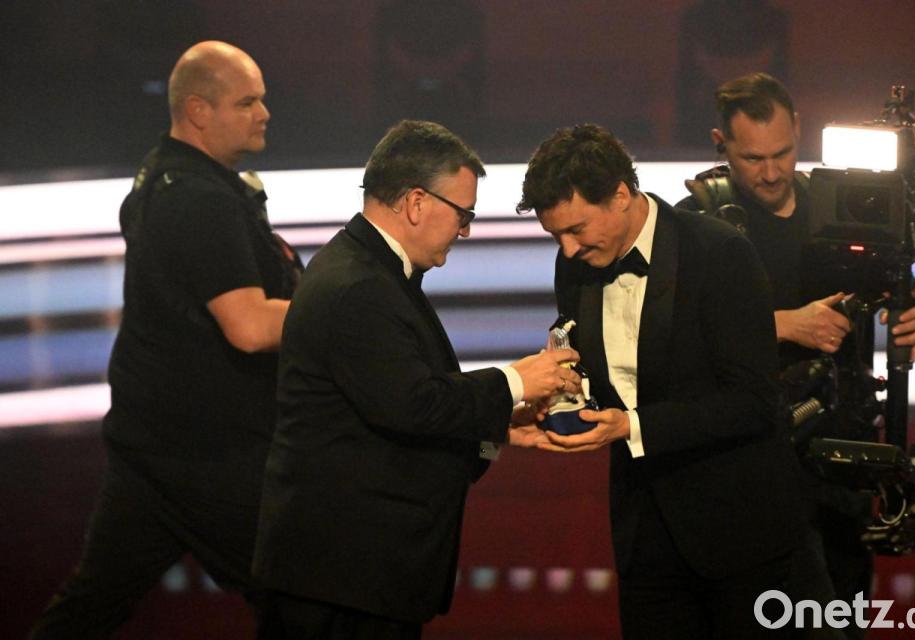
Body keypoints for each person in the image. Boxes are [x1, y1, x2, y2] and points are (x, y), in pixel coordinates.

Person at [253, 119, 580, 639]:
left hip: (352, 577)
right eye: (463, 214)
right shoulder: (359, 286)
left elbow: (402, 411)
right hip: (341, 581)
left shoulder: (372, 272)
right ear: (416, 202)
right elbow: (413, 404)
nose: (465, 231)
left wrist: (496, 430)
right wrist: (517, 380)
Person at [31, 41, 301, 638]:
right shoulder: (197, 199)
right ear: (199, 110)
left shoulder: (171, 176)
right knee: (308, 599)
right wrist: (344, 311)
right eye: (247, 102)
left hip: (157, 448)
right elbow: (249, 327)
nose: (265, 113)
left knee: (91, 605)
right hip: (208, 458)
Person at [675, 72, 915, 638]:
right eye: (753, 158)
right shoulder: (697, 221)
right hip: (748, 472)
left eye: (782, 153)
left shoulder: (847, 202)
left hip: (842, 469)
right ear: (720, 143)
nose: (771, 172)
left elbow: (907, 297)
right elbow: (669, 337)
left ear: (799, 129)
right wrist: (780, 326)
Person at [516, 123, 807, 639]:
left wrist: (631, 427)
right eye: (555, 235)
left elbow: (754, 401)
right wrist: (568, 389)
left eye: (576, 229)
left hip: (737, 535)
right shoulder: (575, 264)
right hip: (643, 537)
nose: (567, 248)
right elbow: (601, 366)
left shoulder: (719, 252)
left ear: (620, 195)